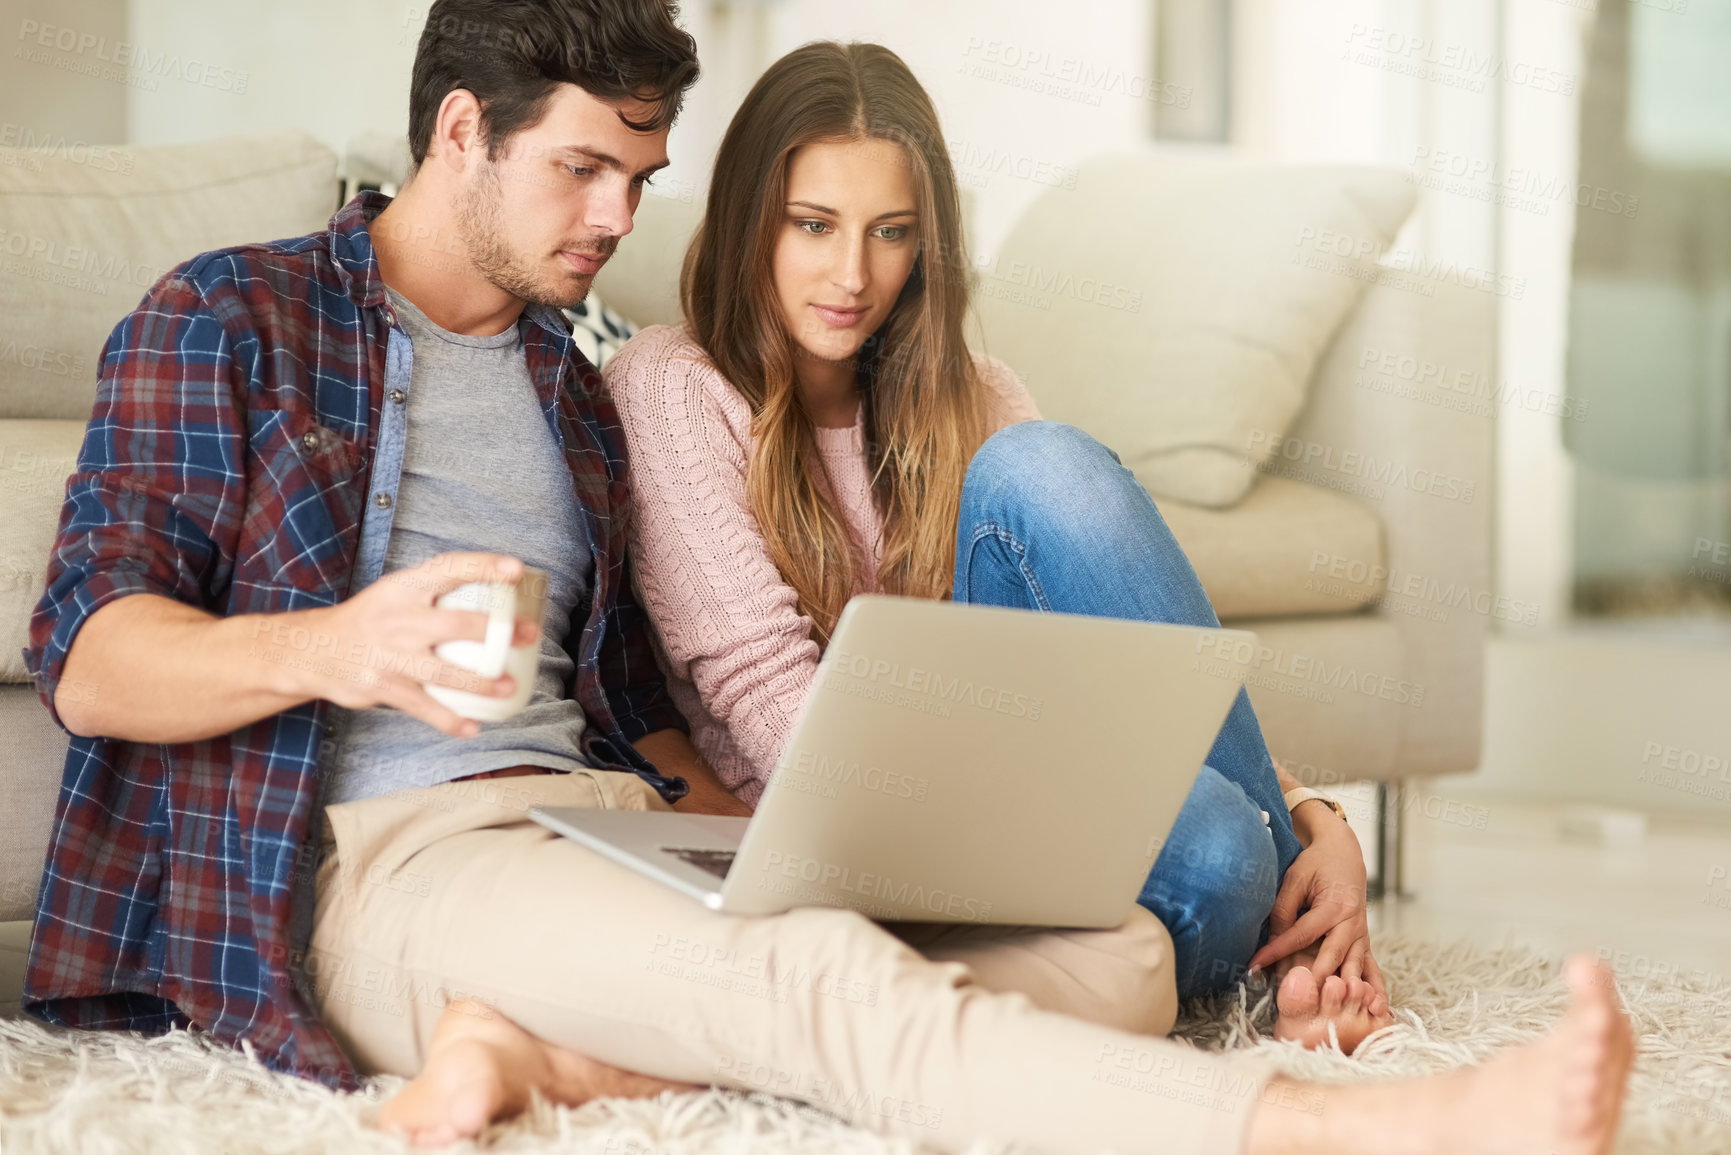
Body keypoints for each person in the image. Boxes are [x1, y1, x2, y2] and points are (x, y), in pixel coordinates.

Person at [21, 5, 1634, 1152]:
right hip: (388, 850)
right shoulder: (233, 317)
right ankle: (1360, 1134)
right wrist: (342, 648)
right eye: (585, 170)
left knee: (1128, 957)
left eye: (643, 179)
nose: (617, 215)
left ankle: (552, 1062)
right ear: (462, 130)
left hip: (617, 830)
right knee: (807, 972)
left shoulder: (575, 387)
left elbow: (659, 703)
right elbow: (95, 660)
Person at [606, 38, 1386, 1048]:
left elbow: (1142, 666)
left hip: (1034, 779)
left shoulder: (971, 391)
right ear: (751, 219)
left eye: (891, 233)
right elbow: (768, 698)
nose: (853, 275)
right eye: (813, 225)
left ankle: (1292, 914)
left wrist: (1319, 815)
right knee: (1217, 844)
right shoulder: (672, 387)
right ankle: (1284, 955)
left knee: (1045, 465)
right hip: (867, 832)